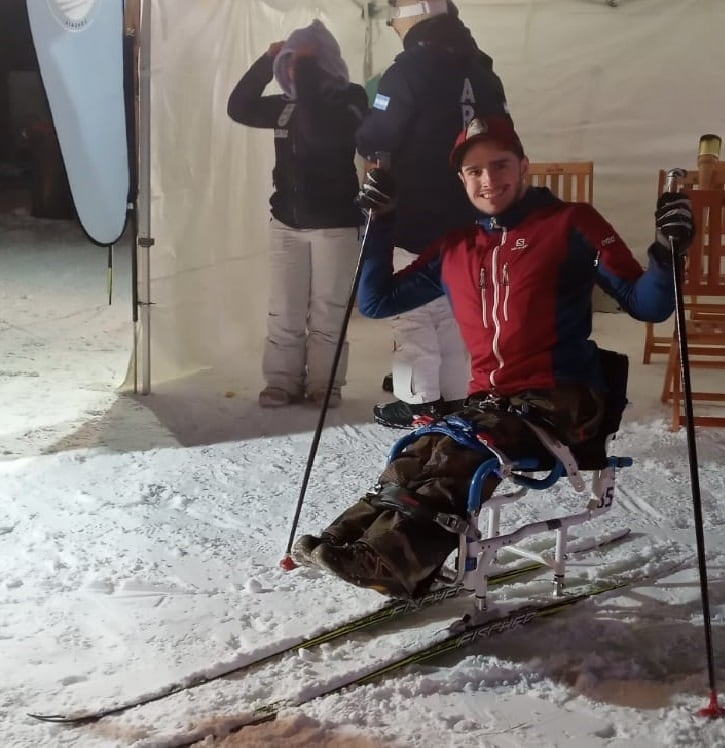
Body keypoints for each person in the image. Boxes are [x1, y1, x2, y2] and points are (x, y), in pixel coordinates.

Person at [290, 116, 694, 598]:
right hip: (493, 401)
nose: (489, 180)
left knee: (468, 448)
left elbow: (647, 303)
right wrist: (380, 223)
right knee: (422, 448)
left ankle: (394, 559)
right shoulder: (455, 247)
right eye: (474, 171)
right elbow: (377, 301)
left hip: (563, 397)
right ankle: (352, 538)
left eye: (500, 165)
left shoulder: (571, 223)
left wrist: (668, 254)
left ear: (523, 166)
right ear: (461, 180)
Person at [356, 0, 511, 428]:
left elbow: (377, 136)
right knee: (457, 310)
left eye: (395, 18)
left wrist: (363, 124)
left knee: (415, 316)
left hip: (418, 218)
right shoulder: (483, 72)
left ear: (416, 15)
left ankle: (419, 401)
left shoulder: (409, 69)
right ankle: (455, 396)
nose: (391, 26)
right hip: (476, 219)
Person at [227, 20, 367, 408]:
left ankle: (325, 385)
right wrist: (265, 61)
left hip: (336, 226)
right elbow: (238, 108)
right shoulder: (285, 106)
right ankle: (282, 381)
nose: (293, 71)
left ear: (326, 64)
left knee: (328, 311)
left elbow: (321, 130)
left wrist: (303, 73)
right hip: (287, 223)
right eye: (288, 64)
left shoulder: (351, 99)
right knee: (284, 308)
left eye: (302, 64)